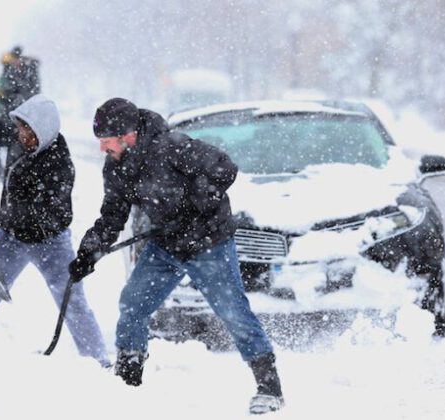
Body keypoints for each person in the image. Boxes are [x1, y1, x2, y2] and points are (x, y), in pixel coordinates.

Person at [68, 98, 285, 414]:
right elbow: (112, 215)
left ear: (127, 135)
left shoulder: (172, 146)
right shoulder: (117, 167)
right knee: (133, 303)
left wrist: (196, 202)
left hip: (209, 243)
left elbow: (225, 168)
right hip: (166, 245)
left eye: (106, 142)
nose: (103, 149)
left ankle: (269, 387)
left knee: (233, 312)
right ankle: (128, 377)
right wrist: (89, 251)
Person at [0, 93, 109, 366]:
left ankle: (99, 361)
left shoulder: (59, 165)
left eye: (24, 128)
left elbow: (35, 215)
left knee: (72, 302)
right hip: (11, 238)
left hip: (50, 242)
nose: (19, 134)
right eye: (18, 127)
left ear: (41, 130)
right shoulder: (23, 138)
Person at [0, 45, 41, 180]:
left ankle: (9, 179)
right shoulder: (12, 73)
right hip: (7, 117)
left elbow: (25, 96)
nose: (10, 66)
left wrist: (4, 97)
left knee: (13, 152)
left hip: (16, 120)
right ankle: (6, 179)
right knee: (1, 153)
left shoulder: (27, 74)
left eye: (11, 62)